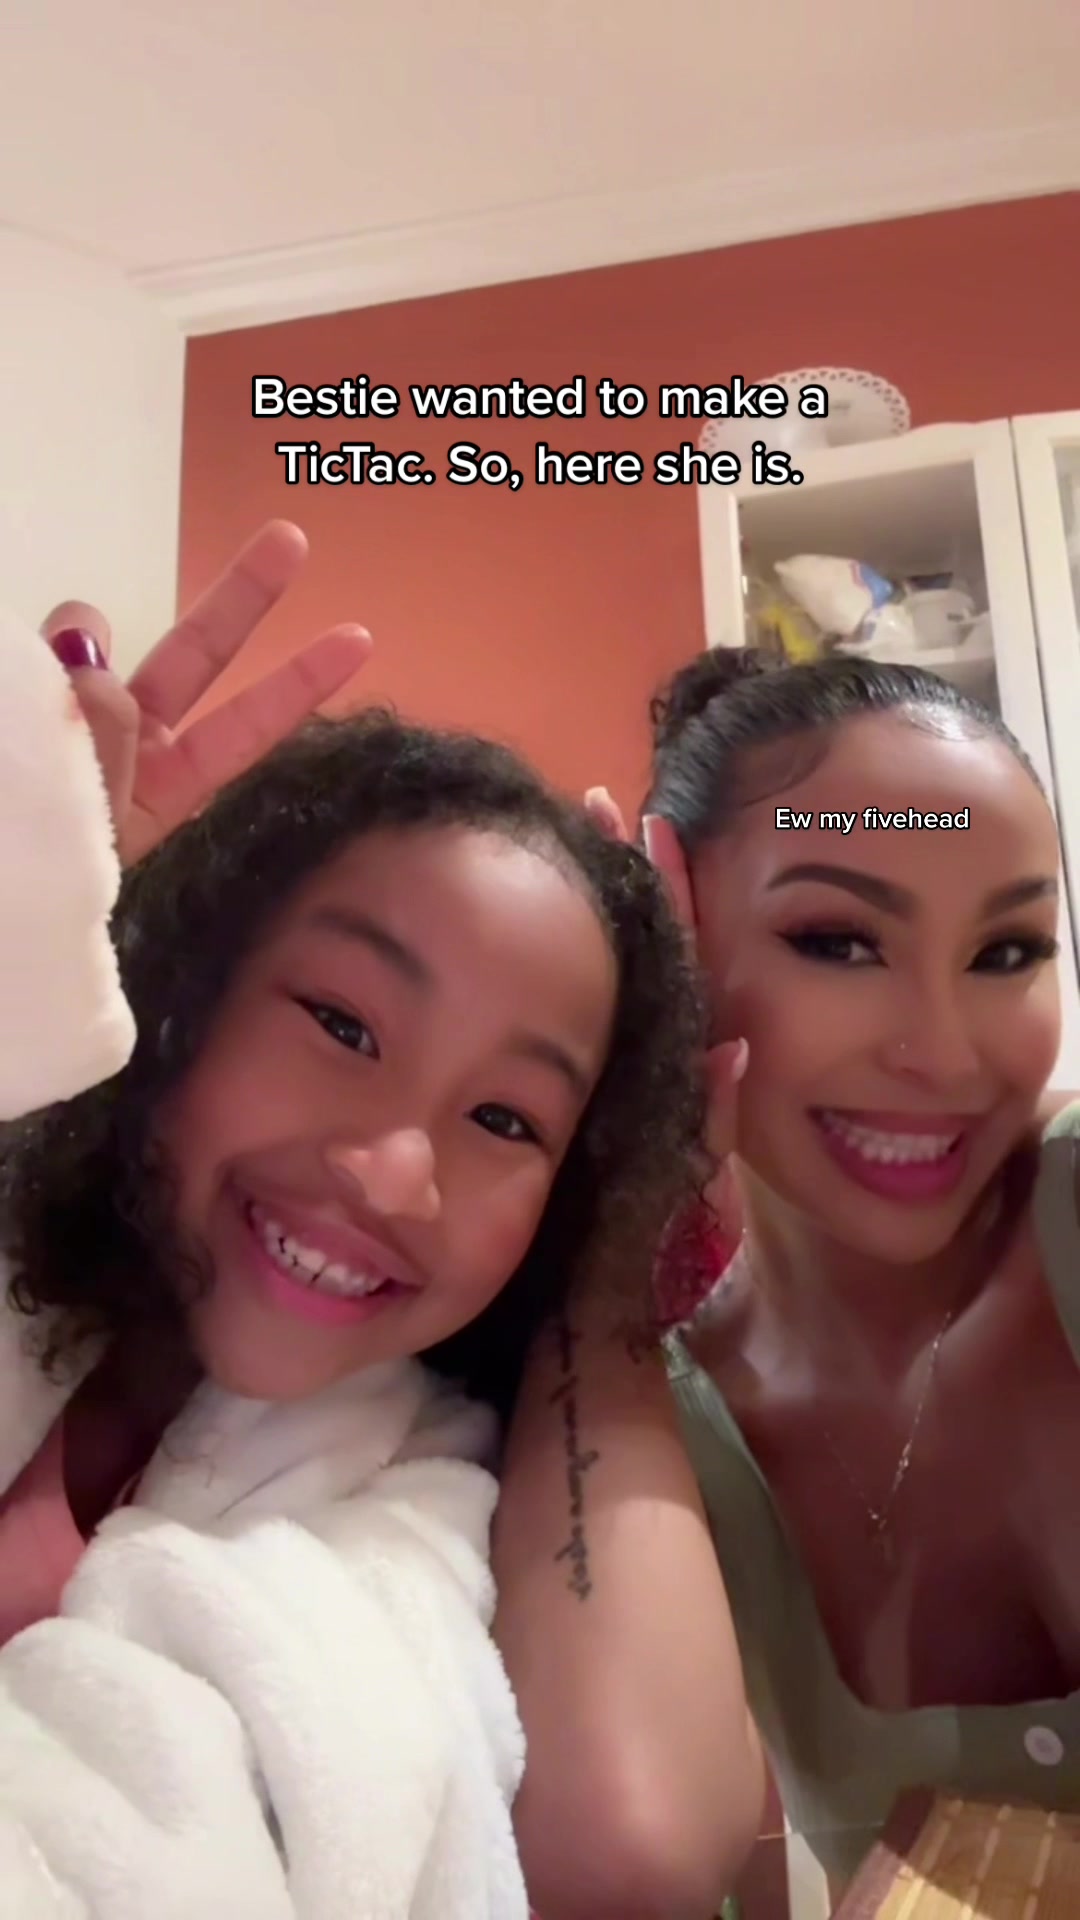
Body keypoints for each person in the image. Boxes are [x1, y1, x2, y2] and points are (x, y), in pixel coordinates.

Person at [0, 529, 704, 1917]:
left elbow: (640, 1843)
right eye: (341, 1023)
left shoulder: (414, 1504)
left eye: (505, 1120)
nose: (392, 1175)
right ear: (182, 987)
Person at [493, 642, 1080, 1911]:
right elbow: (629, 1858)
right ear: (676, 949)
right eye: (840, 941)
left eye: (1007, 951)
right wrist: (614, 1220)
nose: (945, 1054)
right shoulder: (659, 1411)